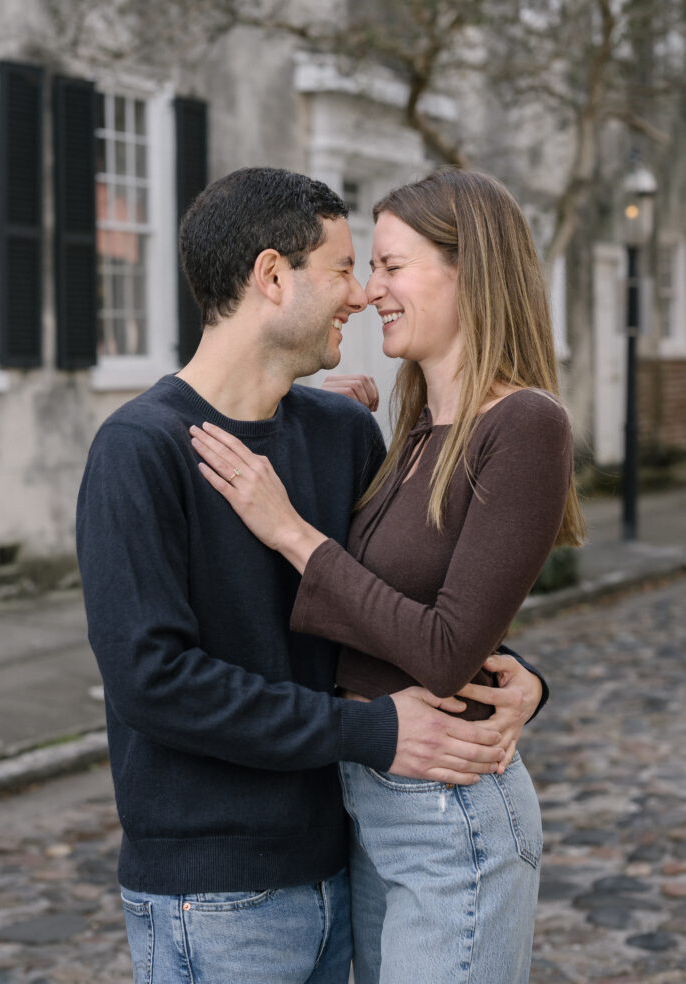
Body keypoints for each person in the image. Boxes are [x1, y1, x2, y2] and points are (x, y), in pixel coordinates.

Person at [77, 166, 548, 984]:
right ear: (270, 276)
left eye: (382, 268)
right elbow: (153, 682)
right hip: (215, 897)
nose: (361, 295)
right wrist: (371, 732)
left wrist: (513, 678)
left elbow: (405, 606)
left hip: (342, 864)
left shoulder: (342, 433)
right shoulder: (140, 448)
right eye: (342, 269)